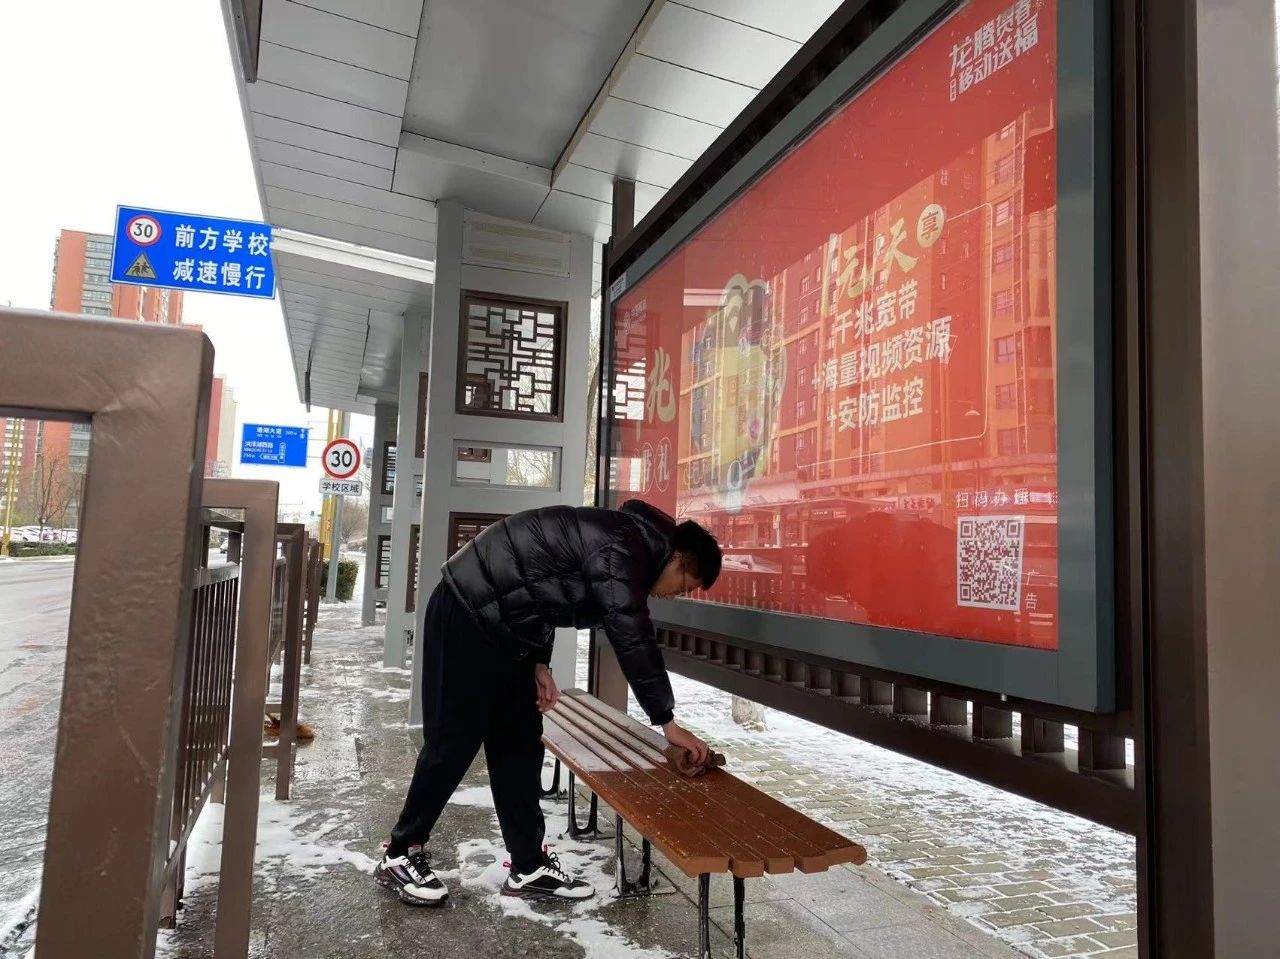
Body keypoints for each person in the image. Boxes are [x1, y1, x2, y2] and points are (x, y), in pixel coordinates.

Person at [374, 499, 722, 906]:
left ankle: (528, 866)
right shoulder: (625, 546)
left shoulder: (626, 543)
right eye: (684, 584)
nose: (676, 595)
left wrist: (539, 661)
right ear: (677, 557)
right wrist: (667, 721)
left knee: (519, 744)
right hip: (468, 609)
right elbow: (632, 636)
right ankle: (401, 852)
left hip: (508, 629)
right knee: (453, 741)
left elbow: (542, 590)